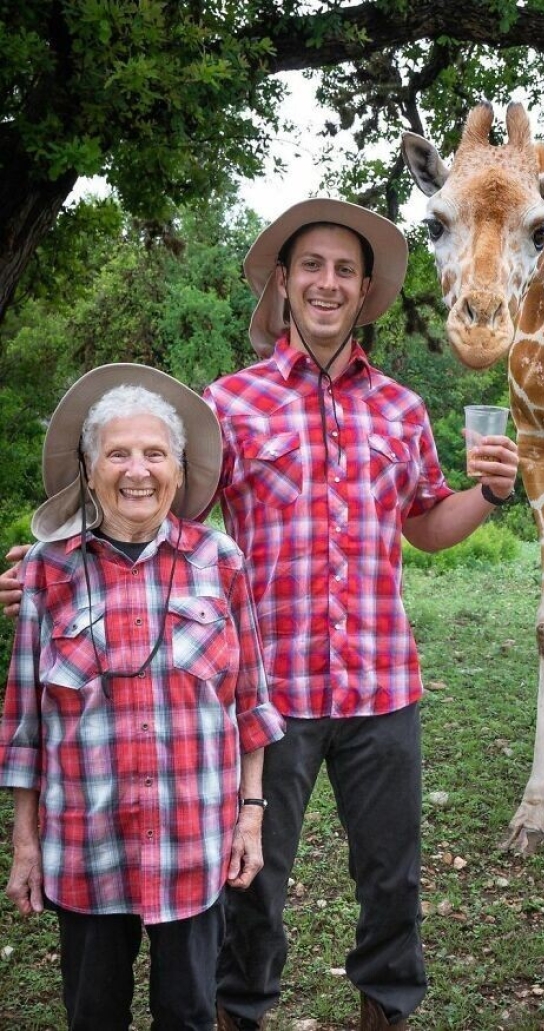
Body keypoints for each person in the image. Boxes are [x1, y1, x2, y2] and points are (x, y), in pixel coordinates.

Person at [1, 198, 519, 1030]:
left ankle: (383, 1009)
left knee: (391, 877)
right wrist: (60, 564)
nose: (327, 282)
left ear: (364, 290)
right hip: (263, 693)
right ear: (282, 284)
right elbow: (162, 517)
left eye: (344, 270)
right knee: (249, 880)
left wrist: (488, 492)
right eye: (310, 266)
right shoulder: (229, 405)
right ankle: (239, 1011)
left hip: (382, 687)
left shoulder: (400, 408)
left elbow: (424, 526)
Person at [0, 364, 284, 1031]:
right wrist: (24, 840)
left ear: (179, 472)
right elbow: (24, 725)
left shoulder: (220, 561)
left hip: (193, 844)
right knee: (93, 1014)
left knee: (187, 1014)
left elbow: (250, 703)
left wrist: (249, 817)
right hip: (86, 846)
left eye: (155, 453)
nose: (137, 470)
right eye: (118, 452)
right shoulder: (46, 570)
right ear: (88, 468)